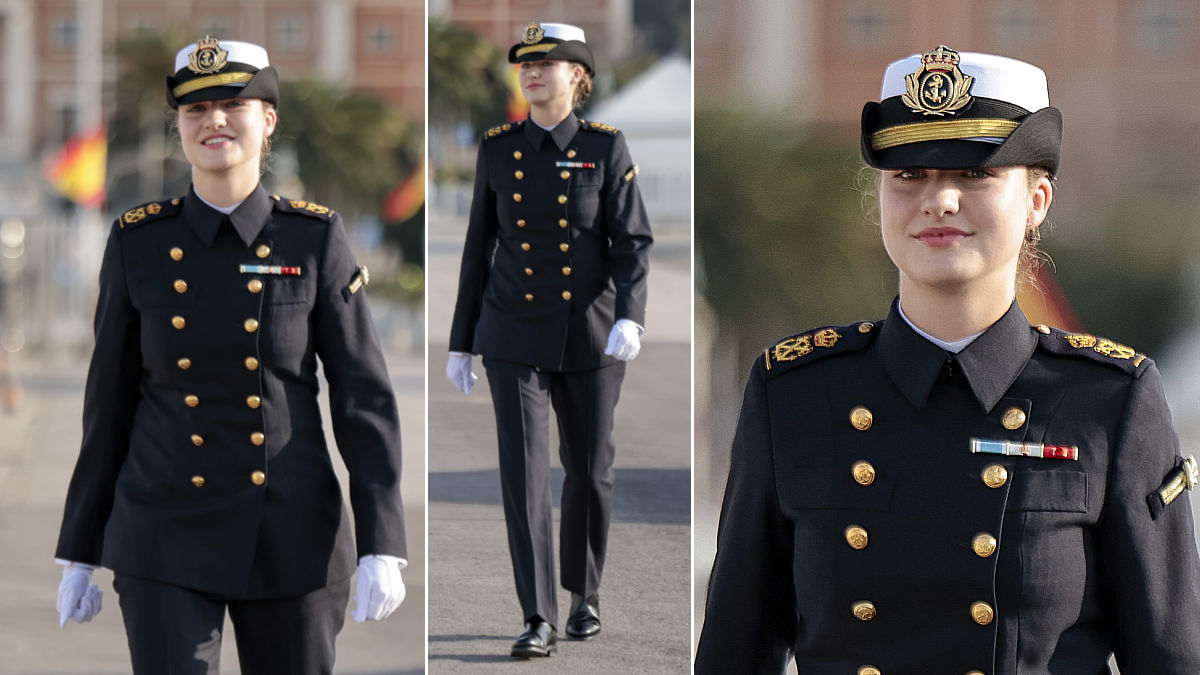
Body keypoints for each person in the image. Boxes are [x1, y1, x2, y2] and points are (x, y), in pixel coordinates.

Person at [696, 45, 1200, 674]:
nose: (939, 201)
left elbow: (1171, 657)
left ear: (1037, 200)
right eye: (910, 176)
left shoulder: (1110, 399)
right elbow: (734, 651)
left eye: (975, 174)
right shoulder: (796, 390)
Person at [54, 36, 408, 674]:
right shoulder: (139, 241)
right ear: (179, 128)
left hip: (291, 530)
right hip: (163, 527)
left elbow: (364, 399)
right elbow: (106, 401)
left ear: (267, 120)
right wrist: (80, 548)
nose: (213, 120)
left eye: (232, 104)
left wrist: (384, 539)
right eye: (195, 110)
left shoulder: (314, 237)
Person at [445, 21, 653, 658]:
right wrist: (461, 340)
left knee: (589, 471)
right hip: (512, 333)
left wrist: (631, 314)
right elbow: (478, 248)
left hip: (591, 334)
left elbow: (632, 242)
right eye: (526, 64)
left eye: (549, 63)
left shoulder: (605, 148)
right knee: (526, 475)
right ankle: (537, 616)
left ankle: (582, 596)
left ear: (577, 76)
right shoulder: (498, 148)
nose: (533, 72)